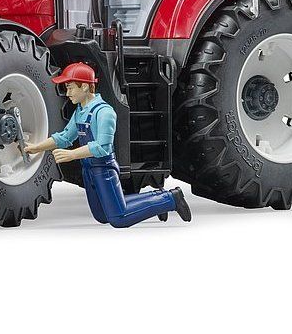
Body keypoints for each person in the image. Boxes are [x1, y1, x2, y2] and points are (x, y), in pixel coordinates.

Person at [25, 62, 191, 227]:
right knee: (102, 215)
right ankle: (157, 200)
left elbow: (102, 147)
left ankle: (170, 199)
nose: (67, 93)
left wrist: (72, 154)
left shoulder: (104, 112)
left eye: (70, 88)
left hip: (103, 168)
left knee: (119, 218)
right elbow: (65, 137)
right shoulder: (80, 112)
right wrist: (36, 147)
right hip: (88, 169)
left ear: (84, 86)